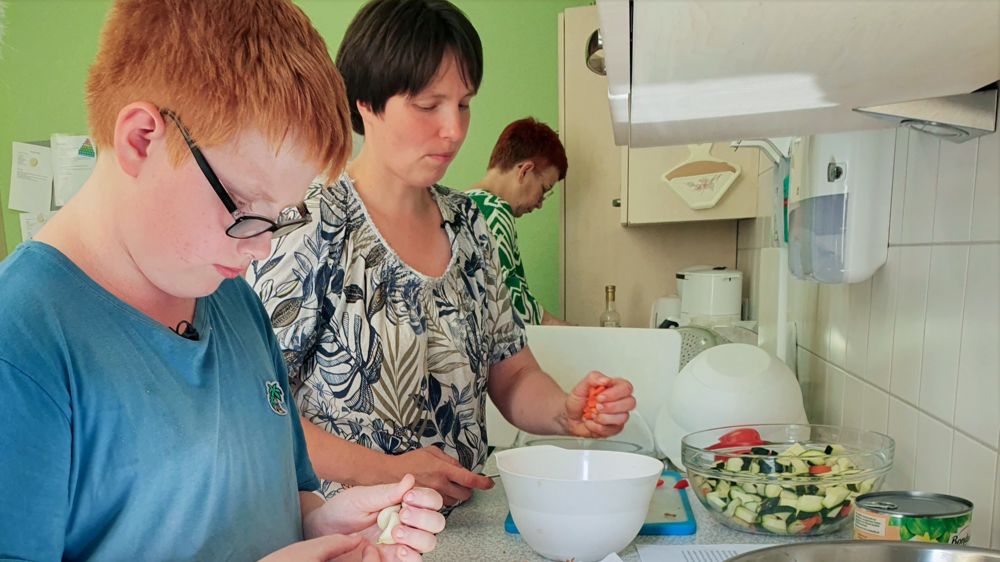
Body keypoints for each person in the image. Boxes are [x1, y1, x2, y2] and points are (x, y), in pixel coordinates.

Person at [0, 1, 445, 560]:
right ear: (141, 139)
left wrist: (323, 525)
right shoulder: (22, 343)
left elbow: (282, 497)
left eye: (279, 215)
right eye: (242, 205)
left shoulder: (234, 301)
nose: (261, 247)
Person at [246, 0, 637, 509]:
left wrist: (566, 412)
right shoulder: (311, 222)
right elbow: (260, 406)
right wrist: (393, 473)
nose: (454, 129)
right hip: (355, 533)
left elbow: (514, 374)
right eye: (429, 105)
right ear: (366, 103)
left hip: (462, 527)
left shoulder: (469, 224)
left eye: (464, 104)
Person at [466, 117, 569, 326]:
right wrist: (557, 326)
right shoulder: (495, 211)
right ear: (525, 170)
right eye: (544, 189)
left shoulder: (460, 204)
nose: (540, 204)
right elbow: (507, 298)